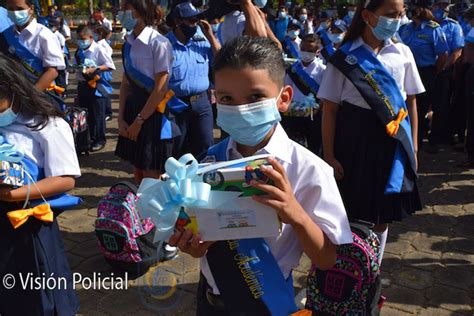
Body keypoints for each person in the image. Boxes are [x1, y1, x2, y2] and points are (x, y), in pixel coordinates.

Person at [169, 36, 353, 315]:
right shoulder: (208, 163)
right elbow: (200, 243)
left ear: (284, 99)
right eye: (228, 98)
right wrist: (193, 246)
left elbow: (327, 259)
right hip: (210, 301)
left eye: (255, 97)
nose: (241, 108)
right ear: (215, 98)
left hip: (267, 303)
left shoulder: (309, 170)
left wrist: (295, 214)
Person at [319, 0, 425, 263]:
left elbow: (411, 102)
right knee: (346, 209)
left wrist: (413, 147)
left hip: (391, 141)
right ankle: (335, 269)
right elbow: (329, 109)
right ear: (367, 16)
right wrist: (329, 155)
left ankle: (371, 270)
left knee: (382, 213)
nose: (397, 20)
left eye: (400, 14)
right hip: (352, 139)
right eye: (390, 15)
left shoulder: (403, 53)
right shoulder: (345, 55)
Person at [0, 53, 81, 316]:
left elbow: (66, 178)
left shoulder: (47, 123)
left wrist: (16, 194)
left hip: (30, 226)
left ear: (12, 89)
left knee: (40, 297)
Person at [166, 1, 221, 158]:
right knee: (177, 147)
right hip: (175, 104)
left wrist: (210, 35)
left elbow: (222, 60)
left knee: (206, 145)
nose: (195, 24)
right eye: (191, 21)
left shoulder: (203, 41)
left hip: (201, 103)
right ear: (177, 21)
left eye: (197, 20)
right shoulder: (164, 44)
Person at [399, 0, 449, 151]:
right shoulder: (405, 28)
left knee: (422, 107)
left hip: (426, 72)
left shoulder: (433, 29)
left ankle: (428, 141)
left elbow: (443, 55)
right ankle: (414, 140)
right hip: (407, 72)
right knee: (409, 106)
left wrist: (436, 72)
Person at [0, 0, 67, 111]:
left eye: (19, 9)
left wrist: (30, 96)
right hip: (11, 99)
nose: (15, 12)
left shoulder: (44, 35)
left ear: (31, 9)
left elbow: (52, 71)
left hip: (39, 98)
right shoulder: (4, 36)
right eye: (11, 9)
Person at [429, 0, 465, 149]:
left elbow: (457, 51)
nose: (442, 9)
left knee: (441, 105)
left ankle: (437, 137)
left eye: (445, 6)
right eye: (439, 5)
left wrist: (442, 68)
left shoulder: (453, 26)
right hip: (425, 70)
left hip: (444, 71)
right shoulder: (422, 24)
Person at [282, 34, 326, 156]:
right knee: (293, 149)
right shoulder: (293, 69)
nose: (306, 53)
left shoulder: (323, 70)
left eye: (310, 50)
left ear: (317, 52)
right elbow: (286, 89)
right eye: (303, 49)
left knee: (314, 149)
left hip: (313, 117)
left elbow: (325, 95)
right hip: (293, 116)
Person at [75, 25, 115, 152]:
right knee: (86, 114)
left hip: (96, 86)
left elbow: (110, 65)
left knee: (98, 115)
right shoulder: (79, 51)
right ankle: (88, 139)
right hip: (83, 86)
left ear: (91, 38)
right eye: (78, 39)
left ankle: (100, 139)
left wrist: (96, 68)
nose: (81, 41)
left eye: (83, 39)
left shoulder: (98, 49)